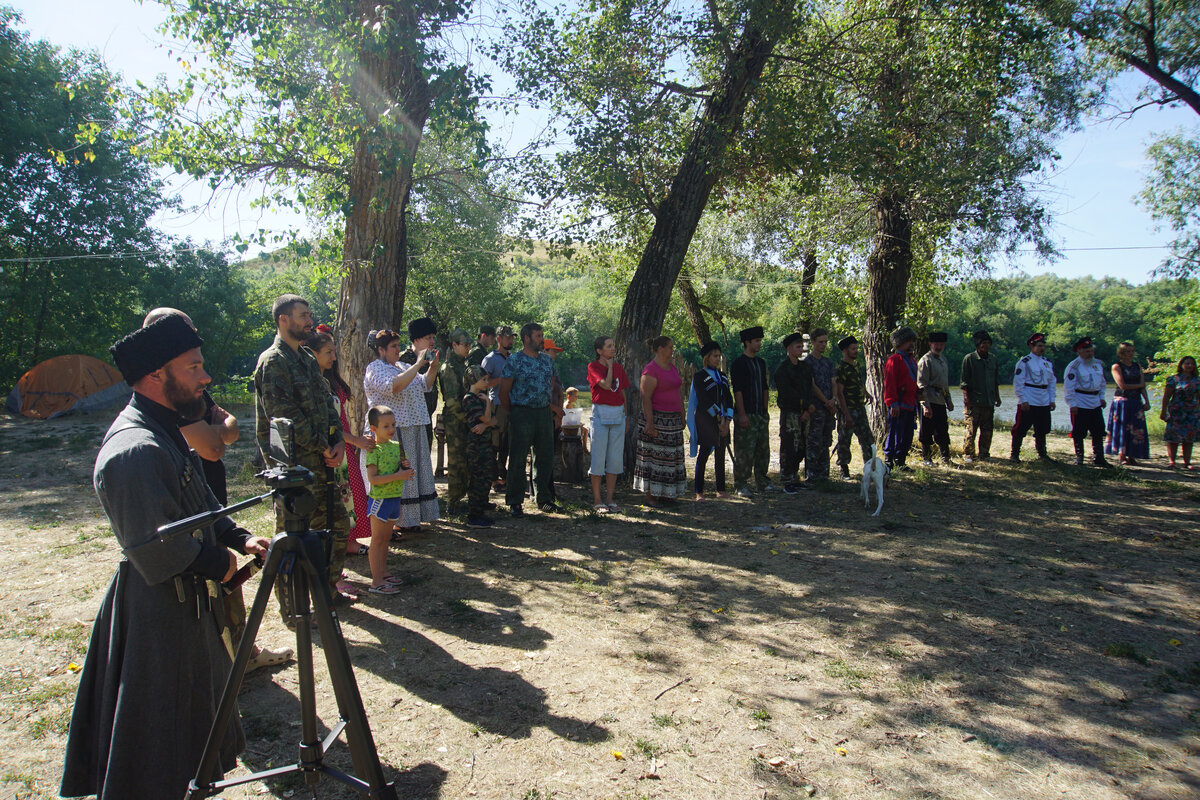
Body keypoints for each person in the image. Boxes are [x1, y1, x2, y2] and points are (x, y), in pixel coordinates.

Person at [61, 314, 269, 800]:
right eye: (194, 367)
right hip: (158, 613)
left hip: (188, 605)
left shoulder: (166, 427)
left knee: (194, 724)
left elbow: (196, 503)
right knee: (157, 743)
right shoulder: (134, 449)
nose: (206, 377)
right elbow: (155, 548)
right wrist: (220, 564)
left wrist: (238, 538)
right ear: (157, 375)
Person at [144, 308, 293, 671]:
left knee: (228, 581)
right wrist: (216, 434)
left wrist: (217, 432)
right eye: (187, 331)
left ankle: (243, 651)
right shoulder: (167, 396)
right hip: (187, 510)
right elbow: (212, 446)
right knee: (205, 583)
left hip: (210, 496)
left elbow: (228, 427)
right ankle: (222, 661)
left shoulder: (193, 389)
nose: (195, 336)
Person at [253, 294, 351, 624]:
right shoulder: (273, 362)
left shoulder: (307, 360)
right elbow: (284, 417)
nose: (309, 320)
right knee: (293, 540)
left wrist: (337, 441)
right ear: (283, 320)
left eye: (309, 314)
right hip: (294, 469)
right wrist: (324, 445)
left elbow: (328, 404)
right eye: (302, 315)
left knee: (337, 527)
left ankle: (327, 593)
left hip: (322, 463)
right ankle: (294, 609)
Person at [305, 327, 377, 594]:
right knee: (335, 505)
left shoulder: (330, 380)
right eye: (328, 352)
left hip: (342, 446)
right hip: (333, 449)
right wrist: (353, 440)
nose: (334, 357)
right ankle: (333, 569)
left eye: (335, 351)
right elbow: (325, 426)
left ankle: (347, 542)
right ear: (312, 354)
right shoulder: (312, 384)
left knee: (351, 497)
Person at [362, 325, 441, 531]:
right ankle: (395, 522)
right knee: (395, 475)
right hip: (390, 432)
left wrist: (432, 366)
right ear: (381, 349)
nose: (398, 350)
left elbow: (425, 385)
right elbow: (393, 387)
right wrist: (417, 363)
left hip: (411, 428)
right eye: (393, 346)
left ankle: (412, 520)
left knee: (413, 475)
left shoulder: (401, 366)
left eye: (398, 345)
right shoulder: (375, 368)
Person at [500, 323, 562, 515]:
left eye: (542, 335)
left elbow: (552, 386)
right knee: (518, 458)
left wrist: (553, 410)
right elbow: (504, 392)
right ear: (526, 338)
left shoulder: (547, 361)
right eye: (537, 336)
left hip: (543, 413)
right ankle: (515, 501)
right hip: (521, 413)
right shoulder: (515, 361)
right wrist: (514, 412)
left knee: (544, 457)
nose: (541, 339)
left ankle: (543, 498)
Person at [363, 405, 416, 594]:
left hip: (394, 498)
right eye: (386, 426)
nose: (391, 429)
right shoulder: (373, 450)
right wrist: (399, 476)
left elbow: (402, 470)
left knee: (386, 539)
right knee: (377, 540)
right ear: (374, 429)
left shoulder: (396, 446)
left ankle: (383, 573)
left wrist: (407, 469)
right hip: (380, 501)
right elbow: (373, 480)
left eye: (393, 424)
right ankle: (376, 582)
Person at [634, 335, 687, 505]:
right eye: (670, 347)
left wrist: (683, 414)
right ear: (660, 349)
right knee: (654, 458)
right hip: (657, 419)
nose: (673, 350)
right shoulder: (651, 370)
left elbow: (678, 392)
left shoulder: (672, 368)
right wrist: (650, 422)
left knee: (670, 458)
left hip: (673, 421)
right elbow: (645, 397)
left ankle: (667, 494)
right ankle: (651, 496)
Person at [687, 341, 734, 500]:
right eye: (714, 356)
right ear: (707, 357)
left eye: (719, 356)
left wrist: (727, 420)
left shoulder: (723, 376)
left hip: (723, 422)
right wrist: (718, 418)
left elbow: (728, 398)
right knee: (704, 453)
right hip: (706, 419)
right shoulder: (700, 376)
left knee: (720, 454)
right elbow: (704, 399)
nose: (717, 359)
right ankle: (699, 491)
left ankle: (720, 489)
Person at [587, 335, 629, 511]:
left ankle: (610, 499)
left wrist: (626, 417)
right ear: (599, 351)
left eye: (614, 345)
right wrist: (610, 367)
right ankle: (597, 500)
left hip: (617, 415)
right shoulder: (593, 367)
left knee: (615, 459)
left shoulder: (619, 368)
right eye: (609, 346)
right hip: (600, 415)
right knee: (598, 458)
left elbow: (622, 393)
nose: (613, 348)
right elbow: (605, 385)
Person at [731, 325, 773, 497]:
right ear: (747, 342)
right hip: (746, 413)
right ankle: (741, 484)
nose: (759, 344)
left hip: (760, 414)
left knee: (763, 450)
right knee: (744, 451)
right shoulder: (738, 364)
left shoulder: (760, 363)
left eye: (760, 341)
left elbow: (764, 387)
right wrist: (741, 414)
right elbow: (738, 390)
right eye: (756, 341)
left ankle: (762, 481)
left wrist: (765, 411)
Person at [773, 333, 815, 492]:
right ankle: (787, 479)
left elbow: (809, 388)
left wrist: (808, 407)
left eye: (801, 346)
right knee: (790, 445)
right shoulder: (782, 370)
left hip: (805, 413)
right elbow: (787, 393)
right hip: (790, 413)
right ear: (789, 349)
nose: (800, 349)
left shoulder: (805, 367)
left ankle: (795, 476)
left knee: (802, 446)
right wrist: (803, 407)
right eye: (797, 347)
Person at [438, 328, 472, 515]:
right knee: (456, 461)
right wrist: (467, 419)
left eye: (469, 344)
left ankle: (462, 498)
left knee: (465, 461)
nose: (468, 347)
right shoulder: (449, 368)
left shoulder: (461, 365)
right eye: (465, 344)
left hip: (465, 419)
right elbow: (452, 401)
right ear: (454, 345)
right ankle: (454, 502)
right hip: (456, 420)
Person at [1063, 336, 1111, 467]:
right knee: (1079, 432)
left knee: (1098, 430)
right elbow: (1069, 387)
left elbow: (1102, 383)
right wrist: (1072, 404)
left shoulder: (1097, 364)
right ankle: (1079, 458)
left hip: (1095, 402)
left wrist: (1102, 397)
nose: (1090, 354)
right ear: (1079, 352)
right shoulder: (1074, 366)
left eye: (1091, 351)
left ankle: (1099, 458)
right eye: (1087, 351)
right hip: (1080, 401)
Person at [1010, 332, 1057, 463]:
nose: (1041, 348)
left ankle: (1042, 454)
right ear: (1032, 346)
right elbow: (1018, 383)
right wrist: (1022, 399)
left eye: (1043, 346)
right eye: (1039, 346)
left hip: (1043, 400)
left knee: (1042, 429)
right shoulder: (1024, 362)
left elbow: (1052, 382)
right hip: (1029, 399)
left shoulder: (1047, 363)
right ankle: (1014, 454)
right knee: (1020, 428)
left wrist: (1052, 399)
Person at [833, 335, 874, 480]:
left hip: (860, 408)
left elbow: (858, 381)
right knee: (845, 440)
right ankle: (844, 469)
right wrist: (846, 414)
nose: (856, 351)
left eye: (857, 348)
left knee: (867, 439)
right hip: (847, 410)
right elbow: (839, 392)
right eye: (853, 349)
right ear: (845, 351)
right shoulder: (841, 368)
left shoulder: (856, 365)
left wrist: (866, 393)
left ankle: (870, 467)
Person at [462, 365, 498, 526]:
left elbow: (494, 421)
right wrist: (489, 404)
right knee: (477, 478)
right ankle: (474, 515)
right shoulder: (470, 399)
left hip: (485, 444)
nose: (486, 382)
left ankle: (482, 508)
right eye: (483, 380)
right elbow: (486, 418)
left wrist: (486, 425)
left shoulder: (480, 397)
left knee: (486, 476)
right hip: (475, 445)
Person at [398, 317, 441, 448]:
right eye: (428, 337)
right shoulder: (403, 361)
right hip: (408, 425)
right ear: (416, 339)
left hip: (425, 422)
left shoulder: (431, 360)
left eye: (433, 337)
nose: (432, 341)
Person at [1106, 340, 1151, 464]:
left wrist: (1147, 401)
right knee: (1122, 428)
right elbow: (1123, 385)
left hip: (1136, 401)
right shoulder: (1116, 366)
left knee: (1136, 429)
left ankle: (1132, 455)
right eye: (1127, 351)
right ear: (1121, 352)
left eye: (1131, 351)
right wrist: (1139, 385)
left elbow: (1143, 386)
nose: (1129, 354)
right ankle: (1122, 455)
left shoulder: (1137, 366)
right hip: (1122, 402)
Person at [960, 330, 1002, 463]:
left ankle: (984, 454)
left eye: (988, 343)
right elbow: (964, 382)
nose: (986, 346)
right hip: (974, 401)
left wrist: (997, 397)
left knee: (987, 430)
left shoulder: (993, 359)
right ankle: (968, 454)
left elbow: (995, 380)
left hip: (988, 401)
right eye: (983, 343)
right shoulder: (970, 359)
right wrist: (966, 399)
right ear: (978, 345)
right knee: (971, 430)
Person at [483, 325, 515, 493]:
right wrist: (503, 379)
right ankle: (494, 479)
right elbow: (483, 383)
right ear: (499, 339)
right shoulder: (490, 359)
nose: (511, 340)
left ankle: (504, 477)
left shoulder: (513, 357)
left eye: (512, 338)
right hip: (497, 406)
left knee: (506, 444)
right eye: (508, 337)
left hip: (511, 405)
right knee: (495, 444)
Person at [883, 327, 920, 470]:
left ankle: (901, 461)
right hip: (899, 404)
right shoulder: (894, 360)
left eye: (912, 341)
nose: (912, 344)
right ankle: (889, 460)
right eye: (909, 341)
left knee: (907, 434)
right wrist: (893, 403)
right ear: (901, 342)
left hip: (910, 403)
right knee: (895, 432)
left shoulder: (911, 360)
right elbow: (890, 384)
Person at [917, 331, 955, 466]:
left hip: (940, 400)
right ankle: (927, 459)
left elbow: (944, 383)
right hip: (929, 399)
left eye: (941, 344)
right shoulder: (925, 361)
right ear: (930, 344)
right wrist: (925, 405)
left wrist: (948, 400)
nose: (939, 347)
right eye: (936, 344)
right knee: (926, 430)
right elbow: (921, 385)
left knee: (942, 429)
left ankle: (946, 458)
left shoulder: (943, 360)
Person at [804, 328, 837, 481]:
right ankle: (812, 474)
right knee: (814, 441)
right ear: (813, 342)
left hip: (829, 409)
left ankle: (824, 474)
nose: (823, 345)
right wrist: (826, 401)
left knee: (826, 441)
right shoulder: (807, 363)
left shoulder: (828, 362)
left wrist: (834, 399)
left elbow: (833, 382)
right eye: (820, 342)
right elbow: (812, 385)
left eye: (825, 342)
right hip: (816, 408)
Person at [1161, 355, 1199, 469]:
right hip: (1176, 412)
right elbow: (1166, 396)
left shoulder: (1197, 380)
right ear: (1181, 365)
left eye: (1192, 364)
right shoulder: (1174, 379)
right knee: (1173, 437)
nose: (1189, 366)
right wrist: (1163, 412)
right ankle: (1172, 461)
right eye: (1187, 363)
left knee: (1189, 438)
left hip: (1192, 412)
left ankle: (1187, 463)